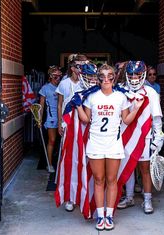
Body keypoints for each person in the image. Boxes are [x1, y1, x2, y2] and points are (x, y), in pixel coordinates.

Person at [74, 64, 144, 231]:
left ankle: (109, 215)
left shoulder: (121, 97)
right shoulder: (92, 97)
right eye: (102, 77)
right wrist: (77, 106)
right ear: (98, 79)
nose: (106, 79)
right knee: (99, 180)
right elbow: (85, 120)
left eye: (110, 76)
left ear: (114, 78)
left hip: (113, 143)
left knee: (112, 181)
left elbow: (127, 120)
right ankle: (100, 215)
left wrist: (137, 108)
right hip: (96, 143)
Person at [117, 61, 164, 214]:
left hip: (144, 136)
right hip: (125, 134)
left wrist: (158, 136)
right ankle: (129, 197)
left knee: (145, 169)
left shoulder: (150, 92)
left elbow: (156, 117)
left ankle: (147, 199)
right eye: (130, 74)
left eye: (137, 74)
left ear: (142, 74)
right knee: (128, 167)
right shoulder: (121, 90)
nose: (133, 77)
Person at [56, 54, 97, 212]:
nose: (89, 78)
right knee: (72, 163)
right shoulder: (73, 90)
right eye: (81, 68)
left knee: (92, 165)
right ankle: (71, 197)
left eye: (93, 76)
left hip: (94, 135)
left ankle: (91, 195)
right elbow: (63, 106)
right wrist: (62, 123)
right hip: (75, 133)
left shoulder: (101, 92)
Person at [39, 65, 62, 173]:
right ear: (51, 76)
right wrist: (39, 118)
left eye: (59, 76)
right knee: (52, 140)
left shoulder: (62, 86)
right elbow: (41, 105)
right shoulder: (45, 88)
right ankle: (49, 164)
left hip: (62, 117)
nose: (58, 78)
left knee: (63, 141)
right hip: (52, 117)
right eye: (56, 76)